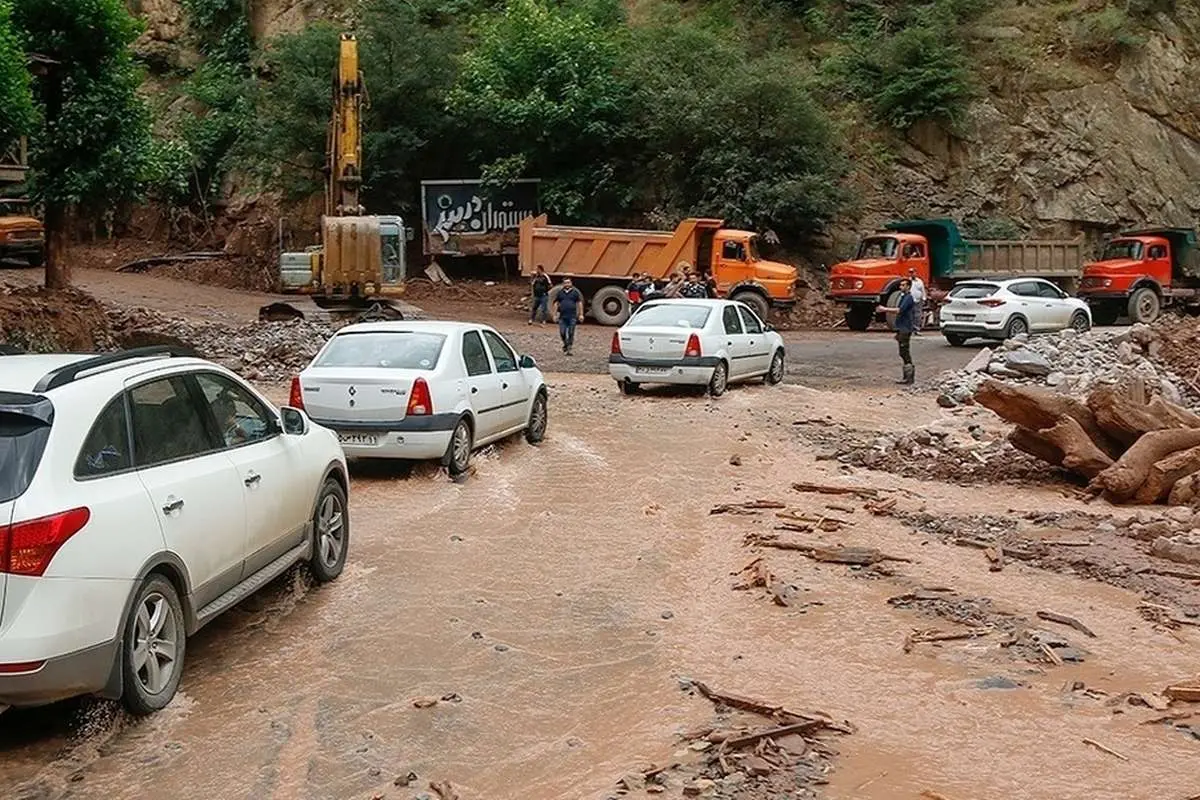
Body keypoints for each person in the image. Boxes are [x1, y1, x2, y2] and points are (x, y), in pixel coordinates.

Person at [877, 278, 917, 384]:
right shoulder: (903, 297)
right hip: (902, 328)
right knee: (902, 351)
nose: (901, 287)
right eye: (900, 285)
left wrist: (885, 309)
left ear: (908, 286)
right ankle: (907, 376)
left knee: (904, 351)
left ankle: (909, 377)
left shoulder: (908, 298)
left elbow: (899, 310)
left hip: (905, 328)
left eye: (903, 285)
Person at [553, 277, 584, 355]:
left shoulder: (575, 293)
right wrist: (554, 314)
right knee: (562, 333)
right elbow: (556, 303)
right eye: (565, 283)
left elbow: (579, 303)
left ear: (571, 283)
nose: (567, 284)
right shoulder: (560, 293)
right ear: (563, 284)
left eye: (568, 282)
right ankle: (565, 344)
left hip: (572, 317)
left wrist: (581, 314)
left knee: (571, 332)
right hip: (562, 317)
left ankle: (569, 348)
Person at [907, 267, 927, 335]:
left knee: (917, 315)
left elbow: (922, 290)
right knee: (910, 315)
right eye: (911, 273)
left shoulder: (919, 281)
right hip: (910, 300)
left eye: (913, 272)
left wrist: (924, 298)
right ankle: (910, 329)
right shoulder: (907, 281)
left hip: (918, 300)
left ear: (916, 273)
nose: (912, 274)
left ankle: (917, 329)